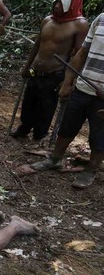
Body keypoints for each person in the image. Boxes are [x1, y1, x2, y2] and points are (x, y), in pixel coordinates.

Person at [31, 11, 104, 188]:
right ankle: (55, 159)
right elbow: (82, 52)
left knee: (100, 135)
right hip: (83, 87)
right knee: (67, 126)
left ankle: (90, 170)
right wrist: (68, 81)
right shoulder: (101, 19)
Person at [12, 0, 88, 140]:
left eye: (61, 2)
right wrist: (27, 66)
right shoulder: (48, 20)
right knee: (28, 102)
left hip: (54, 73)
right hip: (36, 70)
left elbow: (78, 54)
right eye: (56, 1)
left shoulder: (79, 24)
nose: (57, 5)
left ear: (71, 4)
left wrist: (69, 80)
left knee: (45, 107)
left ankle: (40, 134)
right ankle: (25, 127)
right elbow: (37, 45)